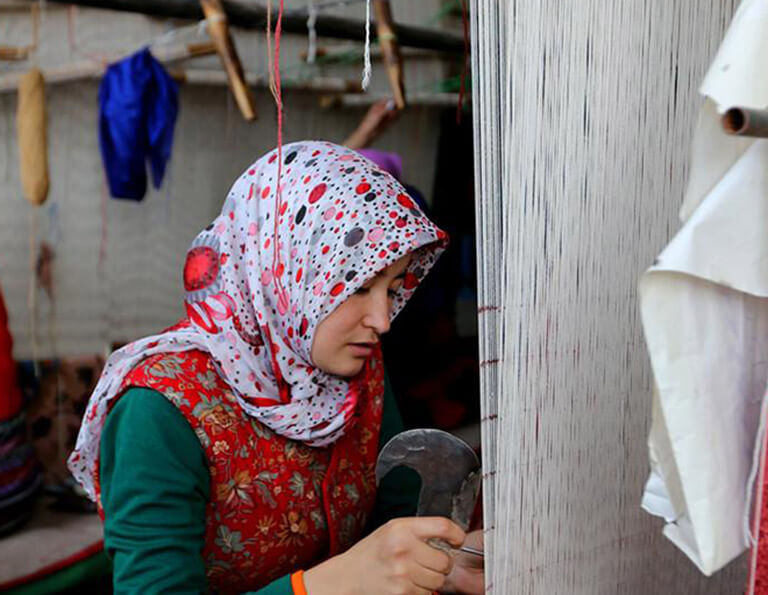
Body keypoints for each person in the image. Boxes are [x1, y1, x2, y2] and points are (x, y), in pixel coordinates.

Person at [68, 141, 484, 595]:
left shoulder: (353, 370)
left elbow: (395, 519)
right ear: (286, 271)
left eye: (392, 287)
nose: (383, 320)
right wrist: (328, 585)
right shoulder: (159, 411)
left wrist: (443, 564)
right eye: (360, 287)